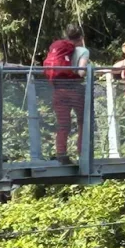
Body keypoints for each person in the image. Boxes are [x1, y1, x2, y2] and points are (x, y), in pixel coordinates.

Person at [44, 23, 87, 164]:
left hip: (58, 89)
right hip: (74, 88)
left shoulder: (57, 47)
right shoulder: (82, 51)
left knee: (63, 123)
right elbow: (81, 72)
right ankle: (83, 153)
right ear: (80, 37)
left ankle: (61, 153)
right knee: (83, 121)